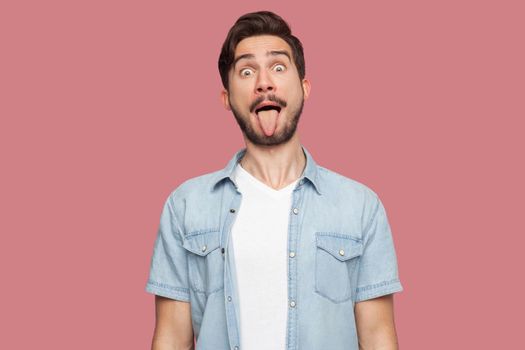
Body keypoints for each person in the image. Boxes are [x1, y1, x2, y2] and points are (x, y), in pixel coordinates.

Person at [145, 10, 403, 350]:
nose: (264, 82)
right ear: (226, 97)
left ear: (304, 88)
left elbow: (378, 338)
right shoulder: (186, 205)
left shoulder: (360, 206)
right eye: (247, 71)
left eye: (279, 67)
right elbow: (171, 340)